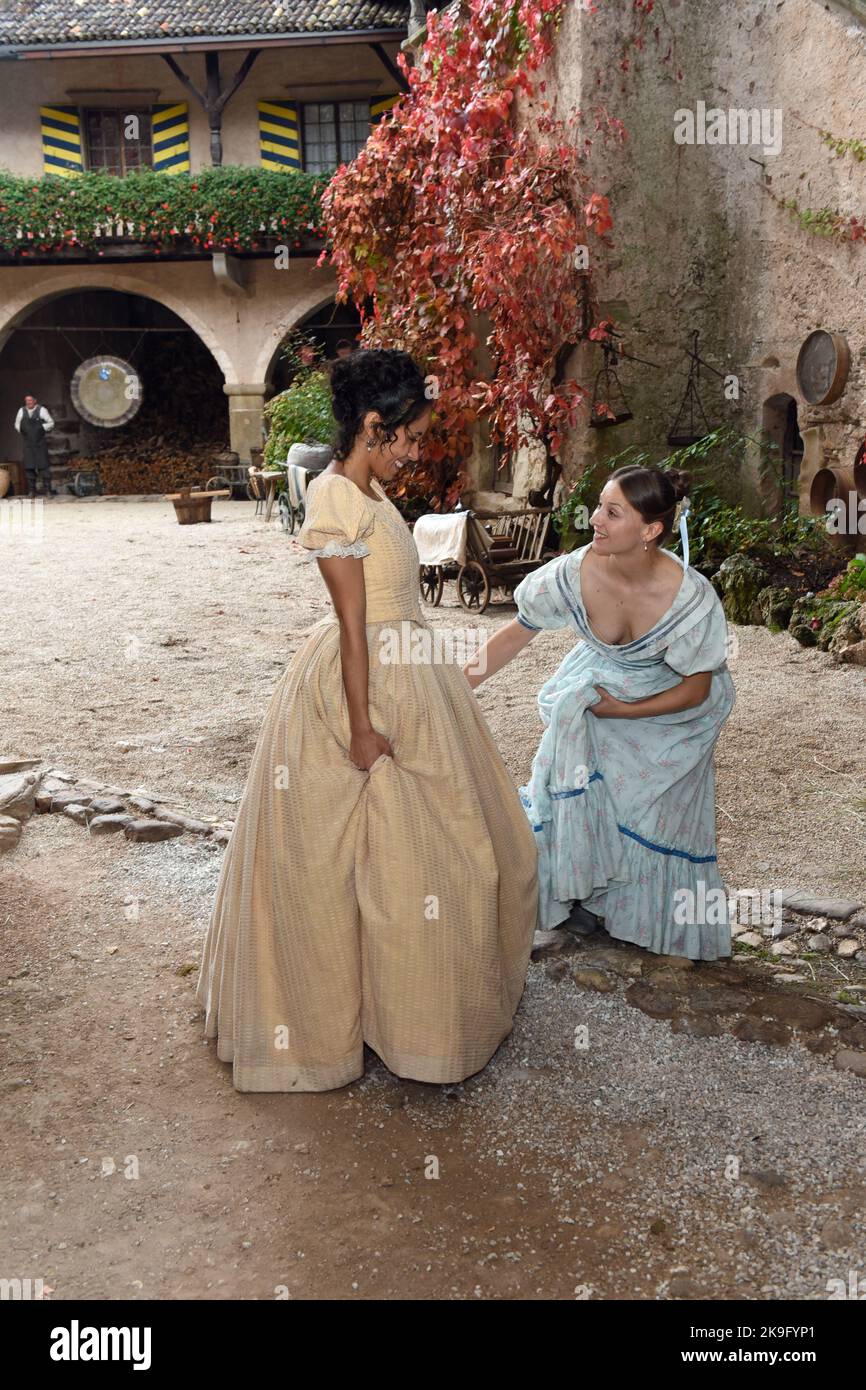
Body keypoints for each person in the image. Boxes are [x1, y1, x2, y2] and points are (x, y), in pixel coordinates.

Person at [197, 349, 538, 1091]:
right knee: (350, 860)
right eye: (409, 437)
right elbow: (353, 625)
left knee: (461, 849)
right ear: (374, 426)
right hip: (365, 681)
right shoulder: (336, 500)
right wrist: (359, 726)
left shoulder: (374, 493)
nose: (416, 452)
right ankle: (352, 1027)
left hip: (414, 668)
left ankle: (421, 1019)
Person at [465, 466, 735, 961]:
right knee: (576, 779)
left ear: (650, 530)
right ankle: (582, 895)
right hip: (600, 688)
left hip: (672, 707)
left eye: (612, 512)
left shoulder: (690, 598)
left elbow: (698, 688)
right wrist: (458, 687)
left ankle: (639, 912)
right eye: (599, 506)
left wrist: (624, 710)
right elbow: (513, 634)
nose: (595, 519)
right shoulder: (573, 573)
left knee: (651, 813)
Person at [15, 395, 56, 497]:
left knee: (44, 467)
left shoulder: (42, 410)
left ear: (35, 401)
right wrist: (24, 431)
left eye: (30, 400)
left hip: (40, 444)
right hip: (28, 444)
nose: (28, 402)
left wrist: (41, 427)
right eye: (26, 401)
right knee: (29, 468)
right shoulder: (21, 411)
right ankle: (32, 491)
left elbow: (51, 423)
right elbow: (16, 424)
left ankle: (48, 490)